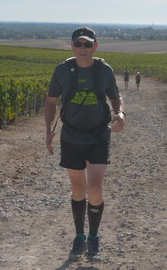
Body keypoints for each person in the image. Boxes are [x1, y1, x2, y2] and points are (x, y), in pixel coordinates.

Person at [45, 26, 126, 261]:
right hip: (71, 136)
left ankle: (94, 236)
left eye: (87, 44)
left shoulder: (104, 70)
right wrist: (48, 129)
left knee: (95, 188)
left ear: (95, 46)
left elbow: (115, 96)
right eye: (78, 44)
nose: (83, 48)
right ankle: (79, 236)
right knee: (79, 188)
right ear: (72, 46)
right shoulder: (62, 70)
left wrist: (120, 113)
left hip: (99, 134)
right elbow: (51, 102)